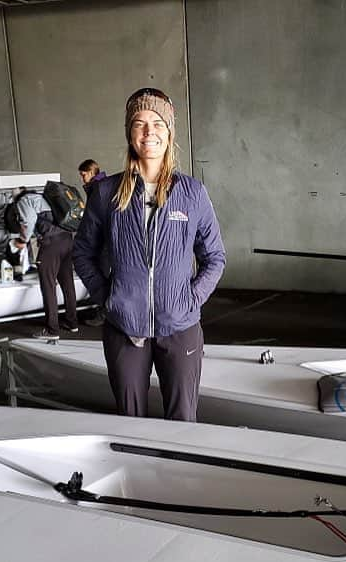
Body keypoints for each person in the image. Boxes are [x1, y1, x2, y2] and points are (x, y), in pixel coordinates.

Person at [72, 87, 226, 421]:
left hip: (180, 325)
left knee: (183, 421)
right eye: (139, 123)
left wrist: (191, 298)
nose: (148, 131)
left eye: (157, 123)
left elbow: (214, 257)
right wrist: (106, 296)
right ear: (129, 133)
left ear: (169, 131)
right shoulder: (105, 192)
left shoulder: (191, 193)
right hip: (123, 327)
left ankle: (182, 472)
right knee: (130, 421)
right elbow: (82, 252)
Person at [13, 191, 79, 340]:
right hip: (67, 239)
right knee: (67, 282)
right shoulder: (45, 196)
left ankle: (52, 330)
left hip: (51, 244)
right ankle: (72, 322)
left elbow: (28, 221)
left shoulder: (24, 201)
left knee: (48, 286)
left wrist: (22, 241)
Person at [77, 159, 108, 327]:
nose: (82, 179)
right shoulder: (102, 186)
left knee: (100, 274)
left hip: (101, 240)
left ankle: (104, 312)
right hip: (104, 239)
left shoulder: (97, 189)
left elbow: (95, 217)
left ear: (91, 172)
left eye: (83, 175)